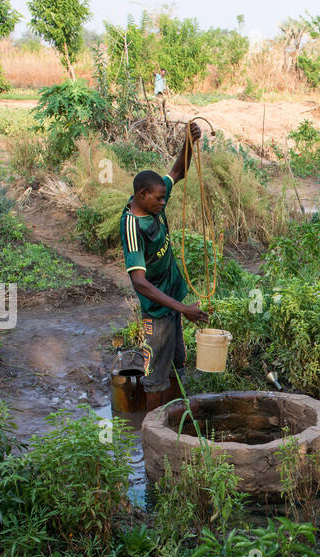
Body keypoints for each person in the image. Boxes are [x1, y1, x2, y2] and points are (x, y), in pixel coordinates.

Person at [120, 121, 211, 411]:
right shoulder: (133, 225)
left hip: (171, 302)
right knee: (155, 378)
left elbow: (178, 172)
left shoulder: (153, 198)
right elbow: (140, 283)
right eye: (159, 199)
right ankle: (153, 434)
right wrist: (183, 308)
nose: (163, 202)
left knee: (176, 366)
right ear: (141, 196)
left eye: (163, 197)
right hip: (157, 311)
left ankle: (172, 424)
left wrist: (188, 141)